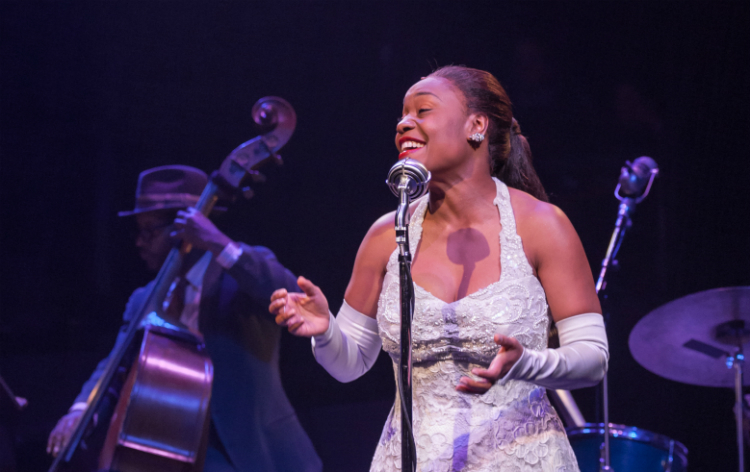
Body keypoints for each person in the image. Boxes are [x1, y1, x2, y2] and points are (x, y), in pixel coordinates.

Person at [270, 66, 609, 471]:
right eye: (402, 113)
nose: (403, 123)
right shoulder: (386, 234)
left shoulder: (541, 225)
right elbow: (349, 365)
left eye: (423, 110)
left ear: (476, 126)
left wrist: (528, 364)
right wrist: (326, 332)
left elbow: (593, 359)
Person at [47, 165, 322, 472]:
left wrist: (217, 241)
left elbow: (285, 290)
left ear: (185, 225)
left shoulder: (239, 274)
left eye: (149, 230)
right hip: (181, 454)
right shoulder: (144, 298)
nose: (139, 242)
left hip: (257, 454)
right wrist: (81, 410)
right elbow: (114, 365)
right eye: (138, 231)